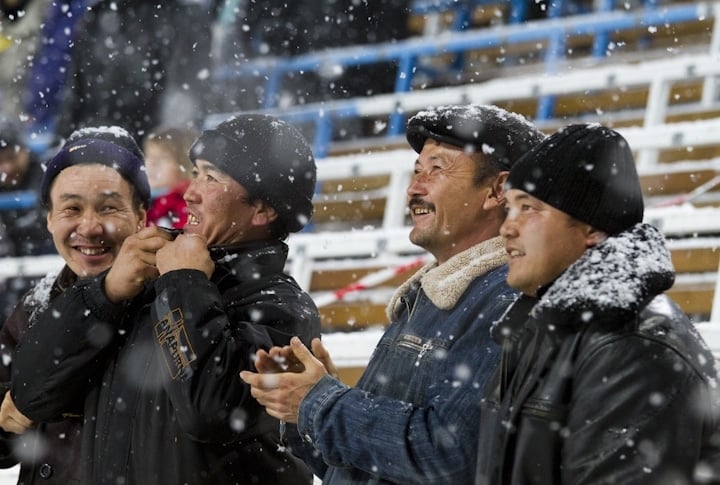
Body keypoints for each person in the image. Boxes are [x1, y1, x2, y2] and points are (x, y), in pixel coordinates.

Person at [241, 104, 546, 483]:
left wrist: (321, 403)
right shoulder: (428, 293)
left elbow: (449, 455)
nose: (414, 188)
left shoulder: (505, 298)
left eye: (437, 168)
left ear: (497, 190)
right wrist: (305, 404)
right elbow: (363, 468)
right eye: (417, 170)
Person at [11, 114, 321, 484]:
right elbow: (29, 394)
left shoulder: (284, 309)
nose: (190, 192)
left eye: (211, 178)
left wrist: (184, 281)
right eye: (195, 173)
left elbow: (210, 410)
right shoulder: (142, 275)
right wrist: (106, 292)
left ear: (263, 210)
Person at [475, 123, 720, 483]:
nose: (507, 228)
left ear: (592, 229)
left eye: (528, 208)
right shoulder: (543, 325)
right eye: (510, 208)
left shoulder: (633, 343)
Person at [0, 125, 151, 484]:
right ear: (49, 218)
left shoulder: (172, 301)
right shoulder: (34, 306)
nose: (90, 228)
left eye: (109, 207)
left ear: (142, 216)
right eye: (71, 208)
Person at [0, 116, 54, 322]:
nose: (6, 168)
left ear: (24, 151)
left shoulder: (45, 173)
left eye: (10, 158)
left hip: (47, 262)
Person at [143, 125, 198, 229]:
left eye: (163, 158)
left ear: (186, 164)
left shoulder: (188, 207)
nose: (151, 163)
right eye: (148, 156)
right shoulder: (145, 201)